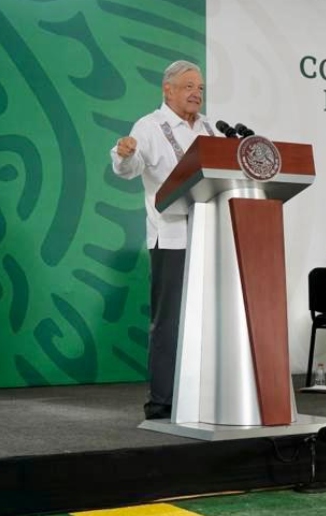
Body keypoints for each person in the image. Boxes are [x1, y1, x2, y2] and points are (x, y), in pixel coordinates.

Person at [110, 60, 216, 420]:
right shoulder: (150, 126)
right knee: (170, 322)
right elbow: (131, 165)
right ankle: (162, 401)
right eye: (188, 86)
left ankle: (205, 395)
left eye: (199, 87)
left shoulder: (210, 128)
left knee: (209, 319)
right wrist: (123, 154)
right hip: (172, 238)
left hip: (212, 239)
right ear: (167, 90)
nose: (196, 93)